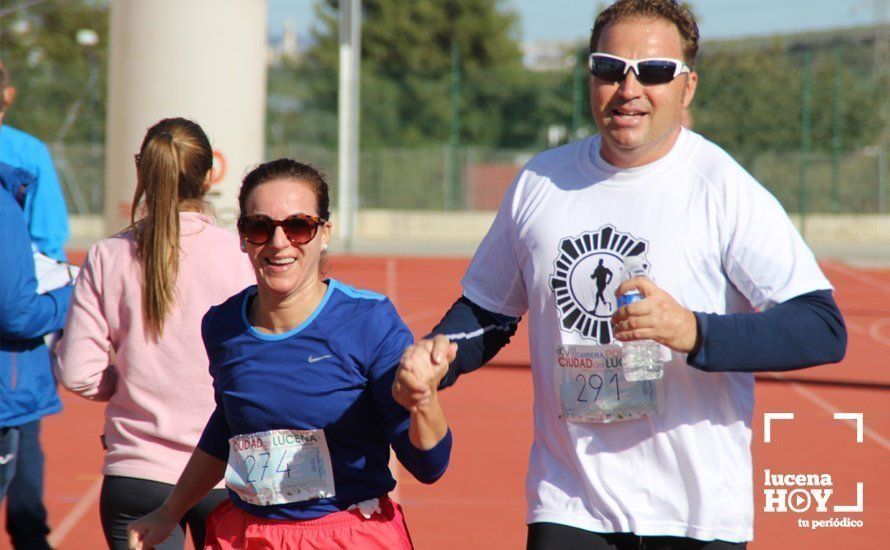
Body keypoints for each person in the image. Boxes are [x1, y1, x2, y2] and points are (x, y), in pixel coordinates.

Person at [393, 1, 846, 549]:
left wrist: (693, 332)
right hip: (569, 501)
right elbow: (489, 311)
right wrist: (441, 354)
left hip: (694, 512)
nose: (628, 88)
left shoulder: (722, 188)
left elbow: (821, 326)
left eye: (654, 72)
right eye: (610, 68)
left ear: (688, 87)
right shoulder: (542, 181)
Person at [127, 159, 452, 550]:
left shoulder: (368, 322)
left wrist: (424, 402)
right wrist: (170, 510)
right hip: (247, 536)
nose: (279, 243)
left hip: (346, 536)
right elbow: (229, 427)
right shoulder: (223, 325)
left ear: (324, 233)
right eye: (260, 227)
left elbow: (429, 466)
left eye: (299, 226)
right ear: (243, 237)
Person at [55, 118, 256, 549]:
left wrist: (125, 383)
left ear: (141, 170)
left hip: (137, 472)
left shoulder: (108, 256)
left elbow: (77, 372)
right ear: (208, 175)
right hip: (227, 472)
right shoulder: (241, 255)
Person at [0, 58, 72, 550]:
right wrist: (66, 300)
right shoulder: (26, 155)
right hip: (12, 354)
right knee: (23, 448)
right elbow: (48, 245)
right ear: (8, 95)